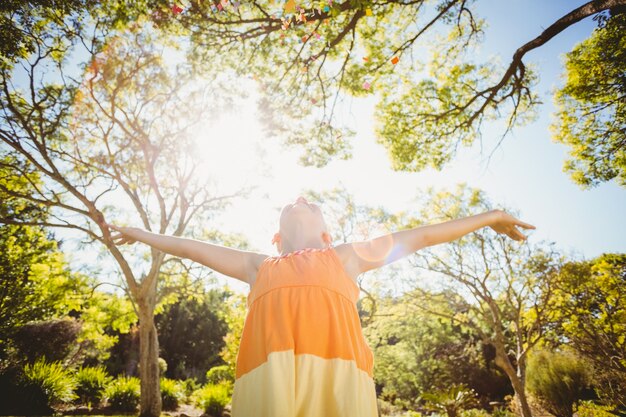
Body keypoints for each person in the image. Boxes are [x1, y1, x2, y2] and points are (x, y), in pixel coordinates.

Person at [105, 196, 535, 417]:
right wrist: (142, 233)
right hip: (270, 382)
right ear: (278, 235)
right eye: (294, 204)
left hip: (338, 379)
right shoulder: (258, 266)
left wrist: (490, 216)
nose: (301, 197)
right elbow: (190, 248)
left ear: (328, 233)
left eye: (313, 205)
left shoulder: (345, 257)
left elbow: (422, 235)